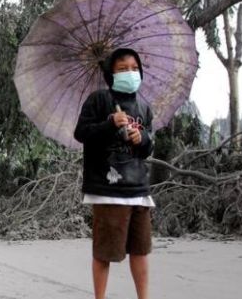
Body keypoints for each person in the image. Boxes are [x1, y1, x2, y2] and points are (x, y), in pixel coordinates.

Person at [73, 48, 155, 299]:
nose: (130, 73)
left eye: (134, 68)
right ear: (111, 73)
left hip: (139, 191)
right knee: (104, 253)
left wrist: (141, 139)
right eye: (122, 69)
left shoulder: (144, 106)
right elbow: (81, 134)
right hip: (108, 191)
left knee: (141, 251)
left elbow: (148, 148)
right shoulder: (98, 100)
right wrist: (110, 123)